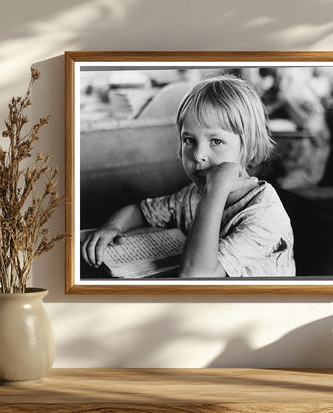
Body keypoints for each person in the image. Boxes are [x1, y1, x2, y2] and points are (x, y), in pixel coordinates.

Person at [82, 75, 295, 278]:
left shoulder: (265, 216)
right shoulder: (191, 196)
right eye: (189, 140)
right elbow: (141, 211)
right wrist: (113, 226)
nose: (199, 155)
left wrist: (215, 191)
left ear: (250, 149)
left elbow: (196, 278)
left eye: (216, 141)